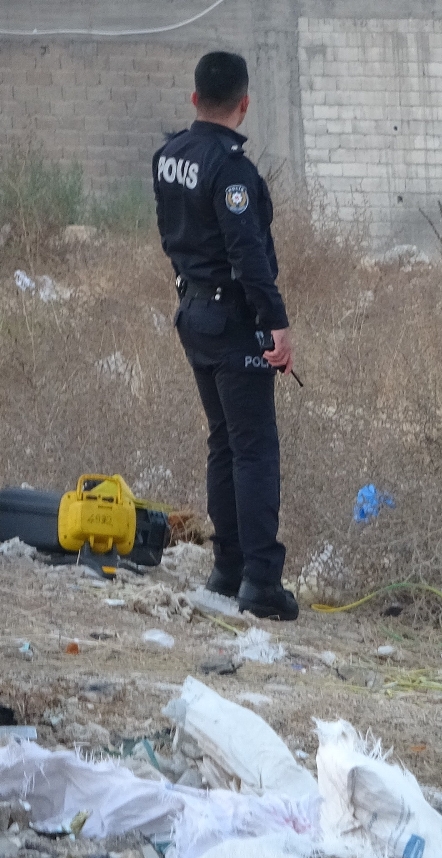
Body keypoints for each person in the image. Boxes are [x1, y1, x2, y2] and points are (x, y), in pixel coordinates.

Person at [154, 51, 297, 620]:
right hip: (233, 322)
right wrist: (277, 325)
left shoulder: (170, 157)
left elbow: (173, 235)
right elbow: (249, 255)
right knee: (254, 450)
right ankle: (260, 582)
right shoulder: (231, 169)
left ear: (194, 99)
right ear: (245, 103)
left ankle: (227, 568)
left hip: (193, 313)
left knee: (224, 443)